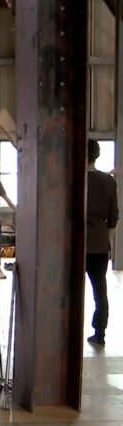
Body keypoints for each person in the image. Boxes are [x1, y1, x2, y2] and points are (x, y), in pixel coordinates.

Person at [86, 140, 119, 346]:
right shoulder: (108, 181)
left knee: (70, 291)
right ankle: (100, 334)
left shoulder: (72, 180)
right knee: (100, 291)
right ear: (97, 156)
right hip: (99, 245)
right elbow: (113, 216)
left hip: (74, 246)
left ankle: (66, 333)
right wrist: (106, 242)